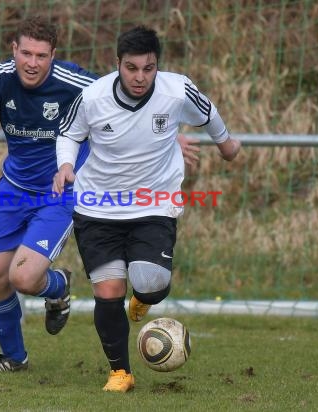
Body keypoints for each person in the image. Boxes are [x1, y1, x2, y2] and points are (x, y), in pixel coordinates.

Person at [0, 17, 199, 374]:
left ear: (53, 56)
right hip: (13, 190)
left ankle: (58, 286)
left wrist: (168, 137)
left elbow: (130, 98)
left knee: (24, 278)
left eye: (41, 55)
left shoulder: (76, 82)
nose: (32, 63)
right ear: (14, 50)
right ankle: (15, 358)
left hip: (62, 191)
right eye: (26, 53)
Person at [53, 26, 241, 392]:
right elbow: (69, 133)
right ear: (117, 65)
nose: (140, 77)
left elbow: (207, 111)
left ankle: (143, 299)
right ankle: (120, 372)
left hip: (154, 202)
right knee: (107, 292)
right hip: (99, 206)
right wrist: (65, 165)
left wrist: (227, 144)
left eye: (148, 68)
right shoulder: (92, 97)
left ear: (158, 66)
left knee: (152, 284)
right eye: (132, 68)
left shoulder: (176, 90)